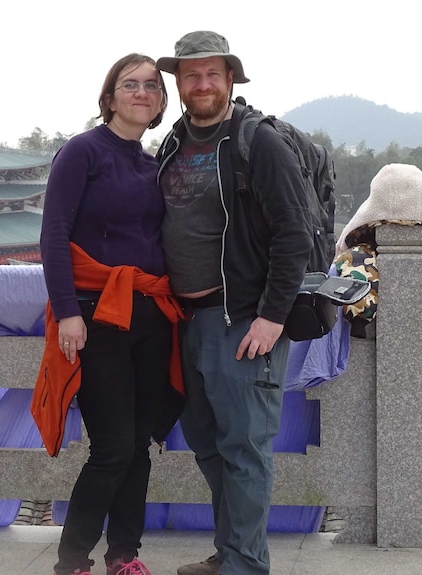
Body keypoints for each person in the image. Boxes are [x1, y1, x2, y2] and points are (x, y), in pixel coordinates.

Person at [155, 31, 314, 575]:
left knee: (244, 448)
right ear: (179, 83)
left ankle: (245, 565)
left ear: (230, 79)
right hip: (188, 318)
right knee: (207, 442)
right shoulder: (173, 142)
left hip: (242, 318)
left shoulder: (257, 141)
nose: (202, 84)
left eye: (212, 74)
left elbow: (295, 232)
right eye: (191, 74)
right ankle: (232, 553)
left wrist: (271, 317)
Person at [34, 53, 183, 575]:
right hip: (98, 315)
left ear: (162, 101)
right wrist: (67, 311)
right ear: (110, 96)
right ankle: (72, 560)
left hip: (151, 315)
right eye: (130, 84)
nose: (141, 92)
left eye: (151, 86)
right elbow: (53, 236)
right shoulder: (82, 152)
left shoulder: (154, 164)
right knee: (113, 447)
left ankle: (124, 555)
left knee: (139, 447)